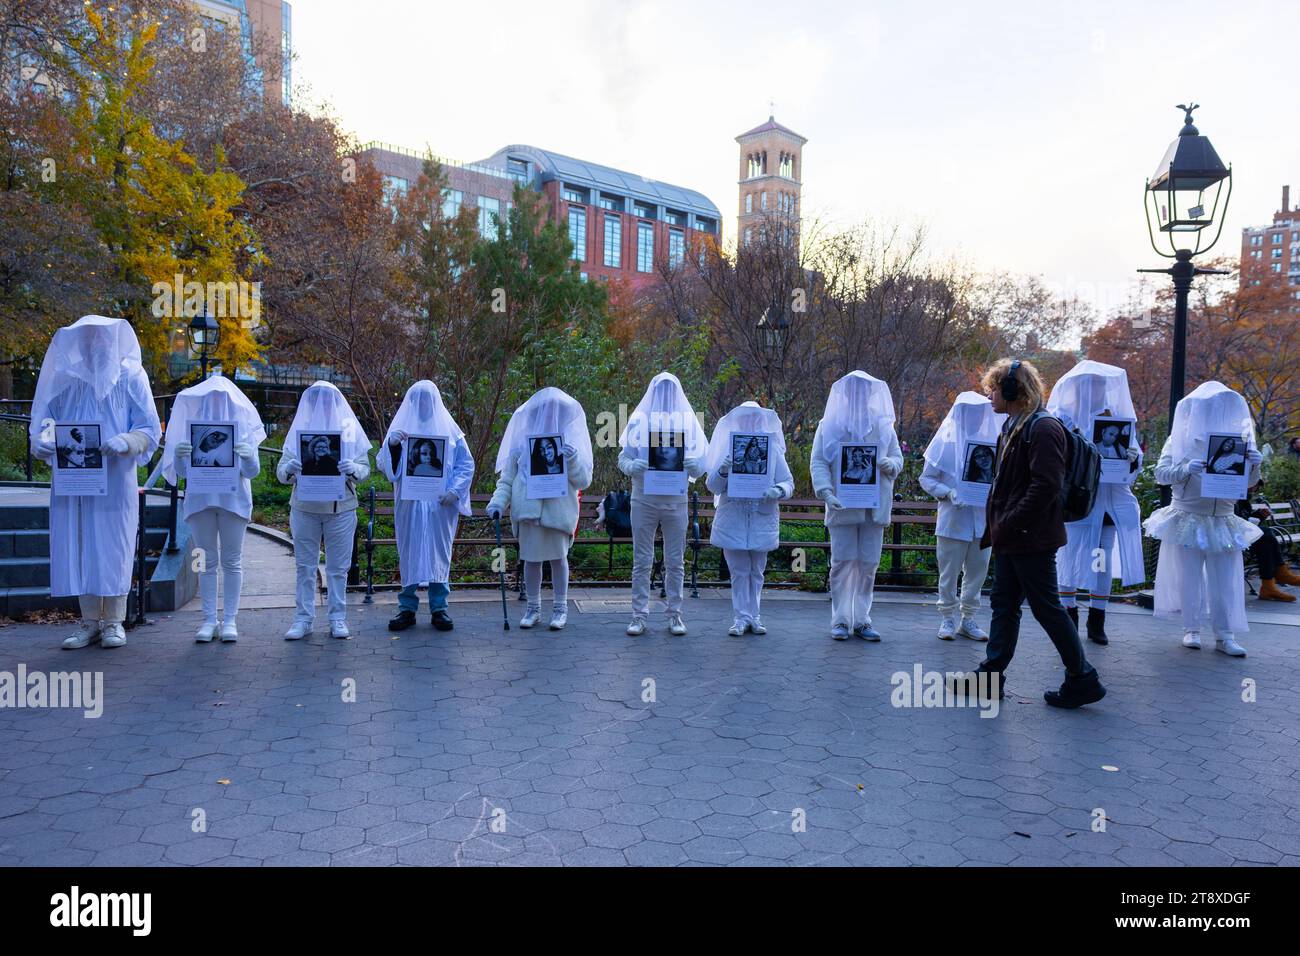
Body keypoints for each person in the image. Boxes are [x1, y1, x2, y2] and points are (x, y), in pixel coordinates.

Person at [950, 359, 1106, 708]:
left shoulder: (1044, 428)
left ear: (1011, 390)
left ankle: (1082, 677)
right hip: (1012, 535)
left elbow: (1045, 486)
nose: (989, 395)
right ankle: (990, 676)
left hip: (1030, 537)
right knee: (1004, 605)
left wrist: (1010, 522)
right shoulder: (1014, 424)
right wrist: (1004, 527)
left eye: (993, 388)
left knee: (1047, 607)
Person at [29, 316, 162, 650]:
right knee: (80, 544)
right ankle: (89, 622)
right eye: (88, 341)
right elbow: (46, 418)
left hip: (116, 479)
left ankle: (115, 621)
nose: (95, 346)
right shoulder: (64, 378)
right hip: (74, 479)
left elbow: (149, 428)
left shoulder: (131, 376)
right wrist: (43, 439)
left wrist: (127, 441)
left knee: (114, 544)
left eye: (101, 340)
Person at [1145, 382, 1263, 656]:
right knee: (1189, 576)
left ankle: (1225, 635)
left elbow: (1249, 483)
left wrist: (1254, 463)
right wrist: (1186, 468)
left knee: (1225, 579)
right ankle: (1192, 629)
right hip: (1188, 515)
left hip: (1223, 517)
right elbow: (1161, 474)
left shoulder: (1237, 441)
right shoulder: (1180, 439)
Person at [1047, 360, 1144, 646]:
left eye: (1102, 386)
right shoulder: (1062, 419)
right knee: (1069, 558)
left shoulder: (1116, 420)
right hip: (1075, 504)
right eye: (1092, 385)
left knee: (1100, 562)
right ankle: (1069, 615)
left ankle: (1097, 618)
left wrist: (1131, 458)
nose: (1098, 391)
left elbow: (1134, 460)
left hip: (1108, 505)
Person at [163, 377, 266, 642]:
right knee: (205, 562)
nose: (217, 404)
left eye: (222, 400)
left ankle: (230, 619)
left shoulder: (241, 431)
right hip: (201, 501)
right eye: (211, 400)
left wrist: (247, 456)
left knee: (232, 561)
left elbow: (251, 472)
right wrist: (178, 455)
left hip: (233, 502)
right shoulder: (192, 431)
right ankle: (209, 620)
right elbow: (184, 471)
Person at [488, 387, 592, 630]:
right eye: (543, 412)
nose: (549, 415)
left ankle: (560, 608)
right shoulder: (522, 445)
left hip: (558, 513)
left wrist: (573, 459)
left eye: (555, 412)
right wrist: (497, 502)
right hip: (529, 512)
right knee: (531, 560)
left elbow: (583, 481)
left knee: (558, 559)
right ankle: (532, 608)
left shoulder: (571, 444)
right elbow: (507, 479)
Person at [811, 371, 902, 641]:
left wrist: (891, 465)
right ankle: (840, 619)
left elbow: (897, 457)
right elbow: (818, 461)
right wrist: (826, 492)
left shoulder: (884, 425)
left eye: (864, 391)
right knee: (842, 563)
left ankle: (862, 619)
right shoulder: (828, 425)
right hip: (843, 505)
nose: (859, 396)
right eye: (854, 391)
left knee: (868, 564)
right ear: (846, 394)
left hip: (875, 507)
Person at [277, 381, 370, 640]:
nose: (323, 403)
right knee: (305, 566)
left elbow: (364, 468)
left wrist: (353, 468)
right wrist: (290, 470)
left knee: (338, 567)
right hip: (305, 507)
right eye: (317, 398)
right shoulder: (300, 431)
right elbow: (281, 472)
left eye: (328, 399)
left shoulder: (349, 432)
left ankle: (337, 618)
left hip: (341, 508)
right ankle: (303, 618)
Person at [618, 373, 708, 637]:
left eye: (671, 390)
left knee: (675, 560)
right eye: (661, 390)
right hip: (644, 499)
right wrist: (632, 466)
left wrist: (695, 467)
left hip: (675, 500)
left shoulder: (688, 424)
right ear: (653, 392)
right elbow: (623, 458)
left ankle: (675, 614)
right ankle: (638, 615)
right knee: (642, 560)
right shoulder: (639, 422)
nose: (666, 396)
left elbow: (702, 459)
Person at [380, 381, 475, 632]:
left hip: (439, 507)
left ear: (434, 402)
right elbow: (387, 468)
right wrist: (393, 446)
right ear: (411, 402)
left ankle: (439, 607)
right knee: (409, 551)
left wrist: (455, 491)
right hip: (410, 505)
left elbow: (466, 464)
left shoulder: (452, 433)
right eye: (418, 400)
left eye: (427, 400)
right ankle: (407, 608)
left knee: (439, 552)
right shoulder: (400, 430)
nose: (423, 404)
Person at [920, 391, 1004, 642]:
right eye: (971, 414)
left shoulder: (995, 445)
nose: (976, 419)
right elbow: (926, 478)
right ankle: (947, 617)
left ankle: (968, 618)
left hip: (983, 521)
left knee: (977, 572)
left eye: (981, 414)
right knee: (949, 573)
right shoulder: (945, 444)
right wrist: (948, 493)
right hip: (953, 520)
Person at [706, 401, 794, 637]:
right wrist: (723, 470)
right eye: (745, 418)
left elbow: (788, 481)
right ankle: (740, 618)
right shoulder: (728, 449)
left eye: (754, 418)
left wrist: (778, 490)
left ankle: (754, 616)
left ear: (760, 421)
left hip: (761, 517)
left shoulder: (772, 449)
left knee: (757, 570)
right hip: (733, 518)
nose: (750, 422)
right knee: (739, 570)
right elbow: (712, 486)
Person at [1237, 480, 1300, 602]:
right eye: (1253, 486)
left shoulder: (1244, 498)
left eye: (1256, 487)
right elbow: (1235, 520)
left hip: (1243, 535)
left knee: (1265, 537)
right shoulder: (1233, 497)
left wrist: (1259, 515)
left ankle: (1271, 583)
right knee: (1265, 535)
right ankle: (1277, 578)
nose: (1254, 489)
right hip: (1230, 538)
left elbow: (1246, 520)